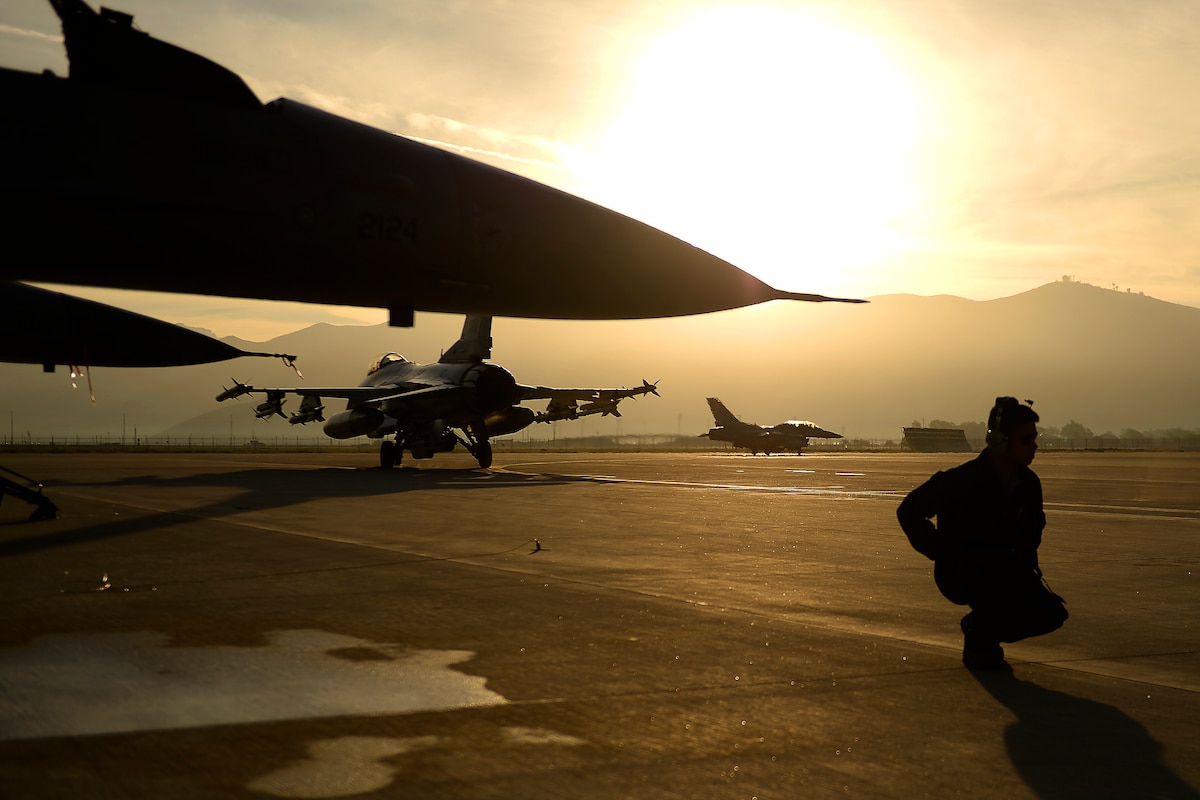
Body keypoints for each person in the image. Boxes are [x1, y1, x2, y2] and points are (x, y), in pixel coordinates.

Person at [896, 396, 1068, 668]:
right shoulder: (960, 480)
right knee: (998, 590)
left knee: (1051, 614)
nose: (1034, 447)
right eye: (1026, 440)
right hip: (963, 572)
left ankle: (980, 625)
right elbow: (908, 512)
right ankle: (980, 639)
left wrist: (1027, 572)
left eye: (1035, 438)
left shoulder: (1029, 484)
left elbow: (1032, 533)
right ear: (1000, 440)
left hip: (1006, 569)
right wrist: (942, 551)